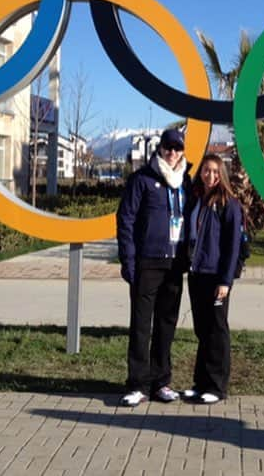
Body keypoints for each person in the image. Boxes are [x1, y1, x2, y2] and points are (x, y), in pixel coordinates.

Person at [117, 128, 191, 407]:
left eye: (177, 148)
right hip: (147, 262)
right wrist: (129, 260)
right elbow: (125, 220)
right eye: (168, 147)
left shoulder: (186, 181)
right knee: (140, 325)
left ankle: (162, 382)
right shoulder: (142, 180)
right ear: (159, 149)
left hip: (174, 264)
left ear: (182, 151)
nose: (172, 153)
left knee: (166, 325)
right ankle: (137, 384)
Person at [181, 153, 242, 405]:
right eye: (207, 170)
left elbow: (233, 246)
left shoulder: (229, 204)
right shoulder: (196, 199)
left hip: (216, 276)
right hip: (197, 275)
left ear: (222, 174)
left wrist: (226, 281)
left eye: (216, 171)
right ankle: (201, 382)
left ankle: (217, 386)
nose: (210, 175)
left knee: (217, 331)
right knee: (202, 331)